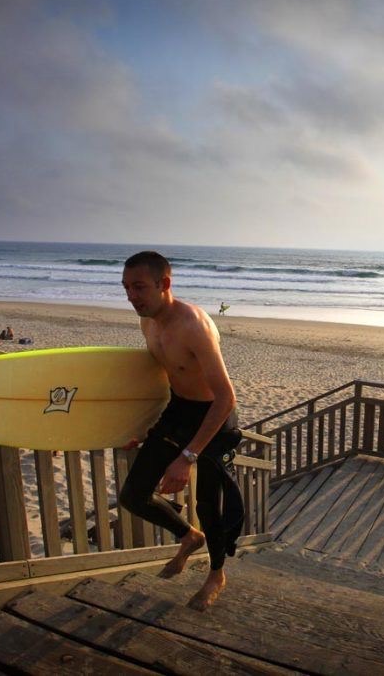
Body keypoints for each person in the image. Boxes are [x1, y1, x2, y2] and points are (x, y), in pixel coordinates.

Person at [117, 251, 244, 611]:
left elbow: (225, 397)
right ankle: (188, 536)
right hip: (179, 409)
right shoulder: (149, 323)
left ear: (164, 284)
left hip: (215, 417)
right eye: (126, 287)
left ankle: (216, 574)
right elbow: (167, 379)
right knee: (133, 495)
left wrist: (187, 457)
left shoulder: (194, 326)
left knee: (208, 503)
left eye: (139, 287)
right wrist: (143, 428)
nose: (131, 296)